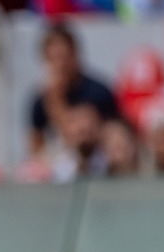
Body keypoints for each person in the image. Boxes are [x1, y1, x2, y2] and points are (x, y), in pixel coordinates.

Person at [29, 24, 121, 159]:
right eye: (54, 58)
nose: (61, 64)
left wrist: (56, 102)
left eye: (64, 57)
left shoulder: (98, 92)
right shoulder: (40, 101)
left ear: (75, 55)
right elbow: (36, 150)